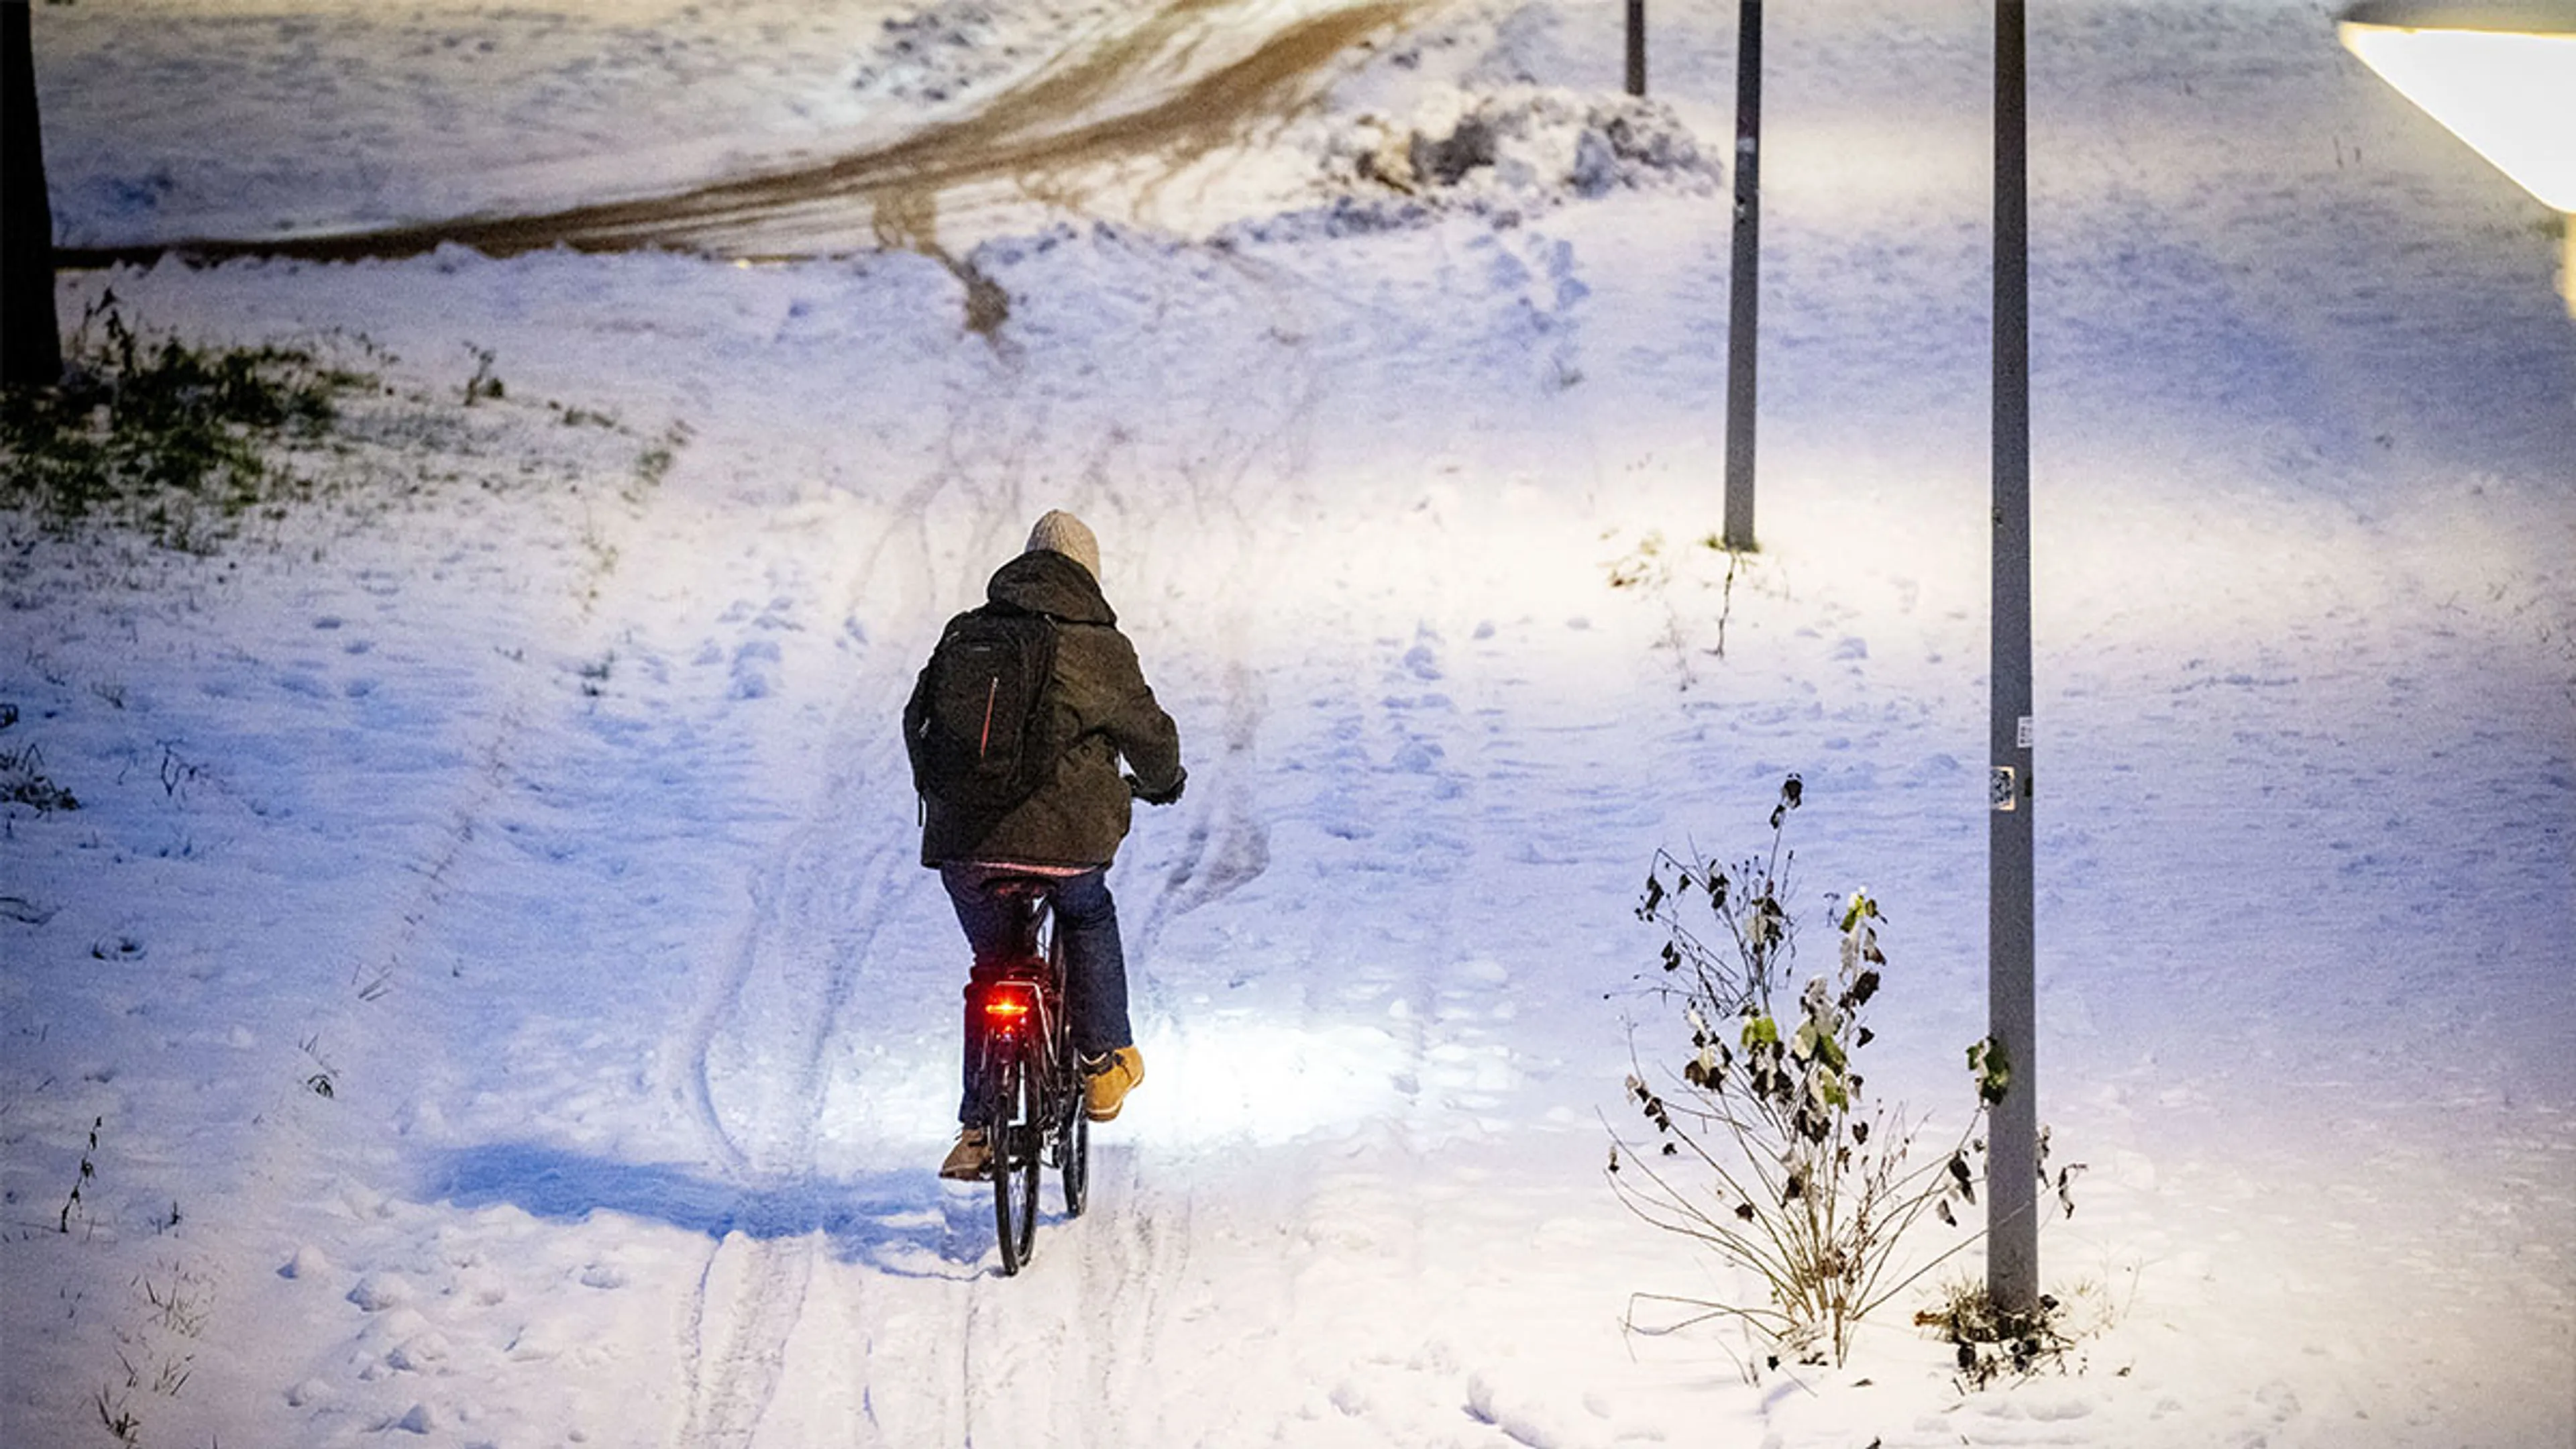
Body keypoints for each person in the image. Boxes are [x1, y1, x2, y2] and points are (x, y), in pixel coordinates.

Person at [908, 510, 1185, 1181]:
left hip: (967, 843)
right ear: (1089, 575)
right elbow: (1149, 738)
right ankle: (1102, 1061)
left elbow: (919, 719)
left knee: (994, 962)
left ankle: (977, 1132)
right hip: (1068, 840)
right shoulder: (1098, 645)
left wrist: (943, 799)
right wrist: (1164, 781)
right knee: (1086, 913)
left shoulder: (968, 634)